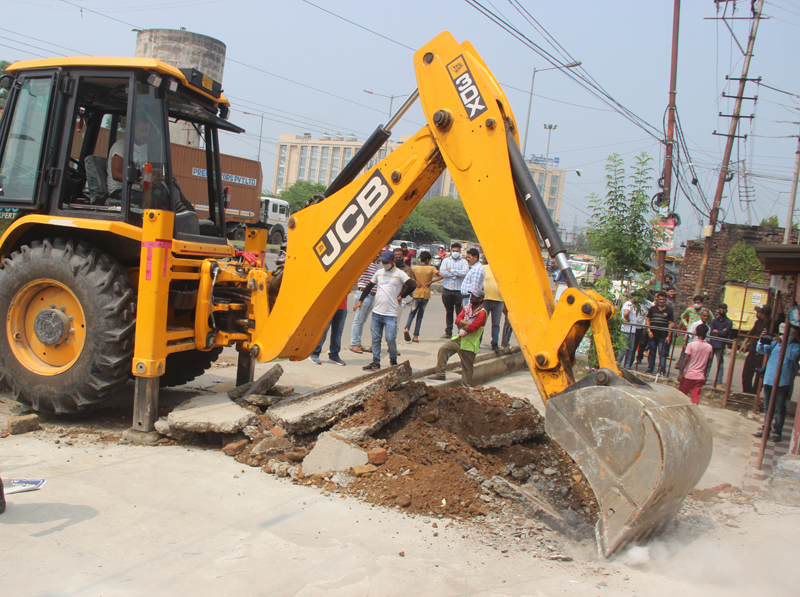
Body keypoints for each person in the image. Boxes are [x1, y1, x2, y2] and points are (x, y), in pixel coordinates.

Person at [355, 250, 416, 371]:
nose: (384, 264)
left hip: (390, 314)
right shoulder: (379, 272)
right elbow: (369, 286)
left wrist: (401, 296)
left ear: (393, 261)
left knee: (390, 339)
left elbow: (412, 285)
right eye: (383, 262)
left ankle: (393, 360)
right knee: (376, 339)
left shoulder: (400, 273)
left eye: (387, 262)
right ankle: (376, 362)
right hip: (377, 312)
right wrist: (360, 300)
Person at [427, 289, 487, 388]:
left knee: (467, 367)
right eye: (471, 296)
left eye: (474, 297)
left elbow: (472, 328)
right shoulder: (467, 308)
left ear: (480, 299)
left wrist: (465, 324)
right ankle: (440, 374)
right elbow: (458, 320)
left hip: (470, 343)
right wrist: (467, 324)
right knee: (444, 350)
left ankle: (465, 387)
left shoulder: (482, 313)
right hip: (460, 338)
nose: (471, 298)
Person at [754, 324, 800, 442]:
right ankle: (766, 429)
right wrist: (762, 340)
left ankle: (777, 432)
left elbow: (793, 356)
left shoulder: (795, 347)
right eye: (782, 334)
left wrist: (783, 344)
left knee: (779, 407)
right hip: (769, 380)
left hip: (783, 382)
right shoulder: (774, 344)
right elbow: (761, 350)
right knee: (768, 406)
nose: (783, 336)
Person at [404, 251, 443, 342]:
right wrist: (431, 282)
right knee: (420, 315)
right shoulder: (431, 268)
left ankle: (407, 328)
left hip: (417, 292)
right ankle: (416, 336)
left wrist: (415, 281)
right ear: (428, 260)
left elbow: (408, 276)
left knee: (412, 313)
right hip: (426, 294)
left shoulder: (415, 268)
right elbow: (442, 276)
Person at [107, 119, 149, 199]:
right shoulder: (121, 146)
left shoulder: (142, 151)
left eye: (146, 132)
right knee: (155, 202)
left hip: (136, 190)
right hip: (119, 191)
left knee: (162, 197)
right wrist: (136, 182)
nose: (144, 135)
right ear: (132, 130)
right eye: (141, 131)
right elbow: (116, 174)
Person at [677, 324, 713, 405]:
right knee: (695, 398)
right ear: (706, 334)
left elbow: (686, 359)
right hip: (700, 376)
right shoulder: (709, 347)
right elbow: (708, 362)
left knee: (681, 396)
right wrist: (704, 375)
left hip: (688, 375)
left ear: (696, 333)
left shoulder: (691, 345)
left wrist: (681, 373)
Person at [349, 256, 379, 354]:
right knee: (358, 320)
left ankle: (358, 342)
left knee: (362, 320)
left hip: (372, 296)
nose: (377, 255)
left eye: (379, 253)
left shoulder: (376, 266)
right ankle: (353, 344)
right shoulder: (365, 263)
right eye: (376, 253)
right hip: (363, 295)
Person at [439, 242, 469, 338]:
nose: (455, 252)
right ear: (451, 251)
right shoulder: (446, 261)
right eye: (453, 251)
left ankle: (461, 331)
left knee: (460, 312)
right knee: (449, 312)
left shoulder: (464, 262)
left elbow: (465, 273)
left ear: (460, 251)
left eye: (457, 251)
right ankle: (448, 332)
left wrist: (451, 271)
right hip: (447, 289)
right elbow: (442, 272)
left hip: (459, 291)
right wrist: (456, 273)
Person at [742, 304, 773, 394]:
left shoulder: (772, 325)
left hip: (763, 354)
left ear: (764, 314)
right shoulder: (758, 322)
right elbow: (751, 333)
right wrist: (744, 344)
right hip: (753, 351)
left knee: (759, 376)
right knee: (746, 374)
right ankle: (747, 392)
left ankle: (755, 394)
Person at [309, 297, 348, 366]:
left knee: (338, 333)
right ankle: (314, 353)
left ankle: (334, 355)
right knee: (323, 332)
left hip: (342, 307)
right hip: (329, 307)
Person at [645, 291, 674, 375]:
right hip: (653, 334)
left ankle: (662, 370)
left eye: (663, 299)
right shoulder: (653, 309)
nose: (661, 301)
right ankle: (650, 368)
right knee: (652, 352)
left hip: (663, 335)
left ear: (666, 299)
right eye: (660, 299)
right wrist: (649, 330)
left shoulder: (669, 310)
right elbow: (648, 320)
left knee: (662, 354)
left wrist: (669, 336)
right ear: (657, 299)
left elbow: (670, 323)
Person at [706, 303, 733, 388]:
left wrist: (717, 332)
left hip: (721, 345)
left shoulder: (729, 322)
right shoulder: (714, 320)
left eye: (723, 310)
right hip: (712, 343)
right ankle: (704, 379)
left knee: (720, 364)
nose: (721, 312)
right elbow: (711, 332)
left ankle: (719, 381)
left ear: (726, 311)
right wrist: (720, 332)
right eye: (720, 310)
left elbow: (725, 333)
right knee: (708, 363)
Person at [620, 294, 643, 368]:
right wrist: (628, 320)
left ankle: (627, 366)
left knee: (630, 349)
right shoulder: (629, 304)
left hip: (632, 329)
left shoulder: (633, 305)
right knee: (624, 349)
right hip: (627, 329)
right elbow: (626, 313)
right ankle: (618, 364)